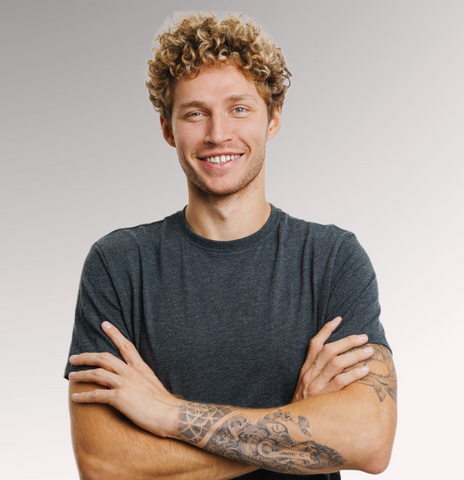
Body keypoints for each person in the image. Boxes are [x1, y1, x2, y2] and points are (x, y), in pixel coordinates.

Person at [65, 12, 397, 480]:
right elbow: (103, 464)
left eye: (239, 108)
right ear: (167, 129)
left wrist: (168, 415)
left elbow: (370, 441)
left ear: (273, 118)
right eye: (195, 113)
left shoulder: (332, 259)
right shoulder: (119, 264)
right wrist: (296, 430)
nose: (218, 133)